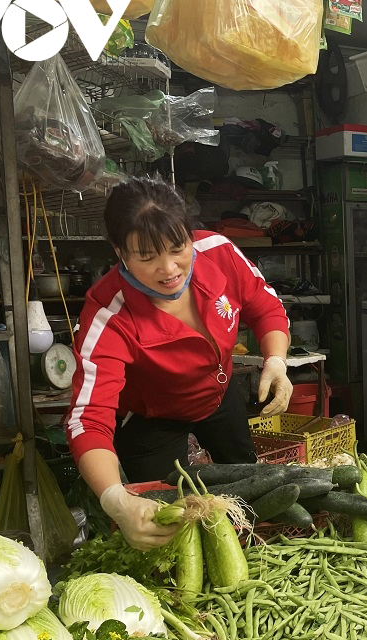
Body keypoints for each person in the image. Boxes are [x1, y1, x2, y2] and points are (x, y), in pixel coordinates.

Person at [66, 176, 293, 550]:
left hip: (220, 397)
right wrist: (115, 499)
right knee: (175, 523)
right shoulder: (109, 314)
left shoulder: (217, 250)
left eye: (177, 247)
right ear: (119, 251)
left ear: (191, 234)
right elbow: (87, 416)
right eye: (147, 257)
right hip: (151, 421)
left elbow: (264, 305)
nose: (169, 268)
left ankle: (253, 552)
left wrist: (276, 361)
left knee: (251, 492)